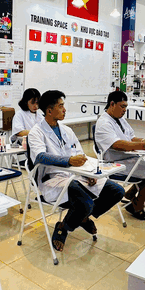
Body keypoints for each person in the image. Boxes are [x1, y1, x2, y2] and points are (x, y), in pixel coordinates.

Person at [27, 90, 125, 252]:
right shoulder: (36, 132)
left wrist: (89, 173)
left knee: (117, 191)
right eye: (61, 106)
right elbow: (40, 156)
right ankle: (63, 228)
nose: (64, 109)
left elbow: (80, 155)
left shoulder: (67, 131)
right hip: (52, 179)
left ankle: (82, 218)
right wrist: (68, 161)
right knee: (85, 203)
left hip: (76, 175)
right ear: (49, 111)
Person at [95, 90, 145, 221]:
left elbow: (131, 137)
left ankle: (130, 194)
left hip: (127, 157)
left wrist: (144, 141)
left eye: (126, 106)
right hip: (114, 162)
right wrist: (142, 146)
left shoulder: (120, 119)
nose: (124, 110)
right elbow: (117, 144)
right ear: (112, 104)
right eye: (122, 106)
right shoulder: (104, 123)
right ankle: (137, 205)